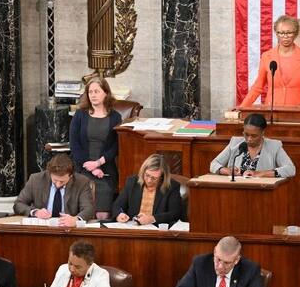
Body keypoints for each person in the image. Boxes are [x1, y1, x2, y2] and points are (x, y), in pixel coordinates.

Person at [237, 15, 300, 113]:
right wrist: (243, 107)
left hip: (298, 111)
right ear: (276, 34)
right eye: (281, 33)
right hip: (271, 111)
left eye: (289, 33)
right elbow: (258, 86)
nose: (285, 36)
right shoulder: (267, 56)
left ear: (296, 34)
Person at [70, 76, 123, 220]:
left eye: (97, 91)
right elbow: (74, 145)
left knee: (102, 214)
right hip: (82, 167)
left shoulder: (115, 117)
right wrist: (92, 167)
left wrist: (99, 163)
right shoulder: (80, 115)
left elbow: (116, 146)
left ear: (106, 92)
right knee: (85, 211)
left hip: (105, 170)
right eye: (90, 92)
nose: (93, 95)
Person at [14, 154, 95, 226]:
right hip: (43, 228)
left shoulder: (82, 182)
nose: (58, 184)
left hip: (69, 229)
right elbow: (18, 204)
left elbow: (88, 209)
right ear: (49, 173)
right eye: (55, 180)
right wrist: (36, 212)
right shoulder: (36, 179)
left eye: (62, 181)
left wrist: (76, 220)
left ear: (70, 176)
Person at [209, 113, 296, 178]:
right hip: (236, 191)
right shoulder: (235, 143)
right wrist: (227, 171)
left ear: (262, 133)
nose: (249, 139)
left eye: (254, 136)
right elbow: (214, 164)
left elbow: (290, 169)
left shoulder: (274, 146)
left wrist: (261, 173)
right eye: (246, 134)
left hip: (262, 192)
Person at [113, 154, 185, 226]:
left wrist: (152, 218)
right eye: (147, 175)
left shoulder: (171, 186)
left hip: (156, 230)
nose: (149, 180)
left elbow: (175, 213)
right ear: (143, 171)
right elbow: (118, 205)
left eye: (154, 178)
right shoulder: (133, 182)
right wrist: (119, 214)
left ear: (162, 177)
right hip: (133, 227)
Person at [173, 236, 264, 287]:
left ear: (236, 260)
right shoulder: (200, 263)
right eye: (218, 259)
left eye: (227, 263)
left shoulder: (250, 269)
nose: (220, 267)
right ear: (215, 251)